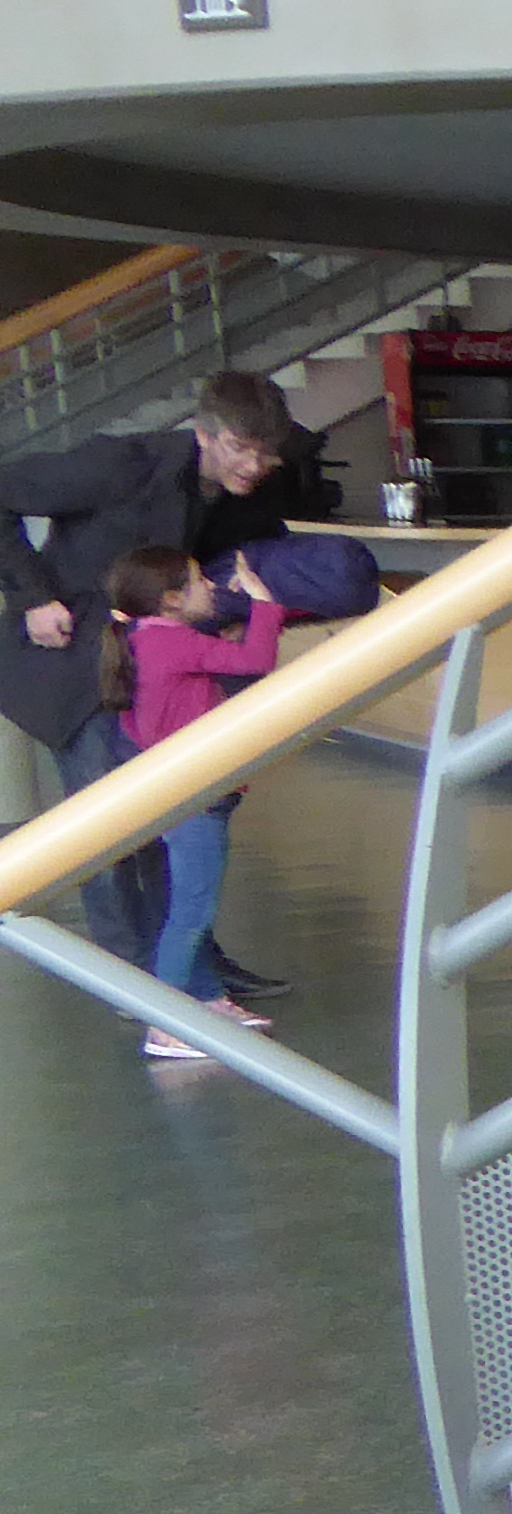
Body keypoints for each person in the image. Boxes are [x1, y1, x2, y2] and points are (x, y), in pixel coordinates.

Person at [1, 367, 306, 991]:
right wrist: (32, 596)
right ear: (205, 433)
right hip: (78, 666)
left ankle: (188, 962)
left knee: (180, 814)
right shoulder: (123, 465)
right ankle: (131, 979)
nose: (254, 465)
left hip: (156, 674)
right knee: (108, 828)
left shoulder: (242, 496)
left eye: (266, 453)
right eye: (240, 448)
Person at [102, 546, 289, 1061]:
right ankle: (164, 1025)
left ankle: (206, 999)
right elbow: (256, 661)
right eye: (198, 580)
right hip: (196, 795)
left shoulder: (148, 641)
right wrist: (261, 602)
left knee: (191, 905)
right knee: (193, 908)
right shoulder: (174, 642)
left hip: (181, 793)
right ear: (169, 600)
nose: (210, 585)